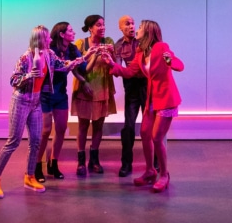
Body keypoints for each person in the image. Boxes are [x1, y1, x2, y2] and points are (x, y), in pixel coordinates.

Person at [0, 25, 81, 199]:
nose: (51, 40)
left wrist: (79, 60)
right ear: (40, 39)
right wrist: (29, 75)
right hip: (21, 101)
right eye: (47, 38)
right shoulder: (25, 57)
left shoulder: (49, 54)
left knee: (36, 141)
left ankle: (30, 176)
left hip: (36, 101)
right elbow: (13, 80)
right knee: (13, 142)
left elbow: (62, 66)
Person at [103, 20, 184, 193]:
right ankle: (149, 171)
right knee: (145, 133)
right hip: (152, 100)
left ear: (148, 31)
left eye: (139, 27)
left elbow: (179, 65)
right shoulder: (140, 53)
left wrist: (170, 61)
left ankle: (164, 175)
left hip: (166, 99)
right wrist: (111, 64)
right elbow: (129, 72)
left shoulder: (161, 47)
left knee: (156, 137)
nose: (136, 29)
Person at [34, 22, 95, 182]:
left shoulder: (72, 49)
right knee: (45, 130)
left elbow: (82, 68)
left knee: (61, 129)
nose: (73, 32)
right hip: (45, 94)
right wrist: (86, 56)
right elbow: (61, 67)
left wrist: (94, 55)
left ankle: (53, 163)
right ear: (61, 34)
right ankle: (37, 165)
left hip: (60, 94)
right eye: (70, 30)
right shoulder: (51, 49)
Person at [71, 14, 117, 176]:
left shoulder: (109, 42)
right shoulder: (80, 44)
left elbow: (115, 66)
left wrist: (111, 55)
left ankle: (94, 160)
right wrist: (84, 82)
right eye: (98, 25)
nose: (102, 27)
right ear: (90, 28)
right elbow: (75, 68)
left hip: (102, 88)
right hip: (84, 88)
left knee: (98, 126)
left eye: (103, 24)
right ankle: (81, 161)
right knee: (83, 126)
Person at [114, 15, 149, 177]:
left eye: (133, 23)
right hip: (131, 87)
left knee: (150, 125)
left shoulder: (144, 41)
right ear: (121, 28)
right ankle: (126, 163)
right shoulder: (119, 45)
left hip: (147, 85)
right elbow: (117, 69)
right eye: (127, 24)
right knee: (128, 126)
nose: (132, 26)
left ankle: (154, 162)